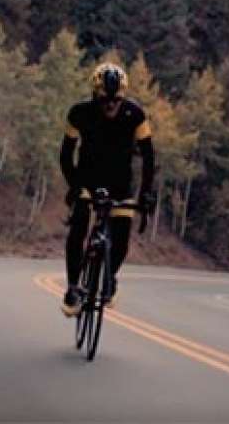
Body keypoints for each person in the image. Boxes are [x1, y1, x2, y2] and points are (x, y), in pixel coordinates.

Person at [59, 62, 156, 316]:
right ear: (95, 95)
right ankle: (72, 287)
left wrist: (146, 193)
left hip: (121, 184)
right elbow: (66, 156)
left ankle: (109, 277)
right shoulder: (79, 113)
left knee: (121, 239)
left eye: (116, 100)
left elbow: (148, 158)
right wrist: (74, 186)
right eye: (105, 100)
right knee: (79, 225)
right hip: (87, 180)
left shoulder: (135, 115)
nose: (111, 105)